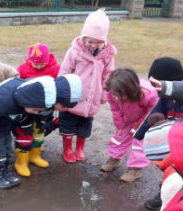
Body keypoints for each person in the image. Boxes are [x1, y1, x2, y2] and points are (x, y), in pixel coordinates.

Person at [0, 76, 56, 189]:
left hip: (5, 122)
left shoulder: (27, 101)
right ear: (28, 101)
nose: (36, 112)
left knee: (7, 148)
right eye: (36, 110)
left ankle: (6, 173)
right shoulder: (3, 100)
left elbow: (26, 118)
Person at [58, 8, 116, 163]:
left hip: (92, 96)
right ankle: (68, 148)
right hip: (74, 95)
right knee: (68, 122)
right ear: (83, 38)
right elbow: (65, 70)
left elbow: (108, 75)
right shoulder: (75, 51)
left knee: (85, 124)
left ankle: (80, 147)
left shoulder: (107, 55)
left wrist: (104, 94)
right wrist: (62, 92)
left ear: (103, 41)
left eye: (97, 43)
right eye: (89, 41)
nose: (92, 45)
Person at [138, 57, 183, 210]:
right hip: (170, 142)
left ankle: (180, 202)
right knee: (168, 170)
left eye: (157, 84)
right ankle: (162, 195)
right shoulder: (164, 96)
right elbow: (156, 112)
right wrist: (140, 134)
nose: (155, 89)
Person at [100, 68, 158, 182]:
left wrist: (139, 128)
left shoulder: (147, 94)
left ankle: (135, 169)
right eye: (114, 94)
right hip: (127, 118)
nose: (116, 97)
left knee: (139, 143)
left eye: (120, 95)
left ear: (130, 90)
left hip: (144, 120)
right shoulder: (111, 92)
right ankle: (114, 159)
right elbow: (114, 108)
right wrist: (120, 123)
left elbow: (151, 112)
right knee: (118, 138)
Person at [14, 42, 61, 177]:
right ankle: (21, 161)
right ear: (29, 60)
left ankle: (35, 155)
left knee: (40, 131)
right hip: (27, 108)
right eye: (35, 64)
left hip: (45, 108)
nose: (39, 66)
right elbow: (16, 83)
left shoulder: (55, 69)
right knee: (25, 133)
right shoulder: (23, 69)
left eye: (42, 64)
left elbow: (59, 85)